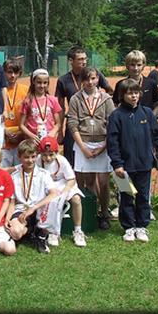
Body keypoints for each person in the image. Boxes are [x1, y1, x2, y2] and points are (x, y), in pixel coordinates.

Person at [107, 79, 158, 242]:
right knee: (126, 196)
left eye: (136, 92)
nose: (133, 96)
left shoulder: (147, 113)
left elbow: (157, 136)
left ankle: (141, 226)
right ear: (122, 95)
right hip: (124, 168)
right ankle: (128, 227)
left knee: (142, 196)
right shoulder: (116, 116)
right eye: (129, 93)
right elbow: (112, 143)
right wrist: (117, 164)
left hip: (144, 164)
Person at [55, 46, 113, 199]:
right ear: (71, 61)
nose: (83, 62)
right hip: (76, 131)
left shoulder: (96, 75)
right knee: (76, 169)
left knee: (101, 177)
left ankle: (102, 208)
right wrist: (60, 130)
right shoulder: (63, 80)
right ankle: (81, 203)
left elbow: (110, 91)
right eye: (80, 59)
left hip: (99, 134)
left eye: (85, 59)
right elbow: (60, 106)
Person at [66, 66, 115, 230]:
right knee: (85, 181)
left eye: (93, 78)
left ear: (98, 79)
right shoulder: (75, 99)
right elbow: (72, 124)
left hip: (103, 144)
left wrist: (103, 147)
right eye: (86, 79)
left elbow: (113, 124)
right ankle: (90, 213)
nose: (90, 82)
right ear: (81, 81)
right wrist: (83, 147)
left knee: (103, 181)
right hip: (83, 143)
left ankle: (104, 213)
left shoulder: (106, 99)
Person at [6, 139, 59, 254]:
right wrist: (7, 219)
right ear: (19, 157)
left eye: (33, 157)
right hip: (21, 211)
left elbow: (54, 193)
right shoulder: (14, 176)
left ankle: (41, 237)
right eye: (26, 157)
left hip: (39, 210)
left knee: (53, 201)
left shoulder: (43, 174)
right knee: (15, 233)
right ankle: (32, 231)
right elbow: (11, 202)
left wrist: (34, 208)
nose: (30, 160)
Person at [35, 136, 87, 247]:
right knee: (51, 201)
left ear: (56, 152)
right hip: (49, 187)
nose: (48, 158)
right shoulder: (38, 161)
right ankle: (52, 231)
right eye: (45, 155)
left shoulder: (62, 160)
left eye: (51, 155)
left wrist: (64, 192)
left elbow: (71, 179)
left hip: (65, 184)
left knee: (76, 199)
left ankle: (78, 230)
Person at [19, 68, 62, 146]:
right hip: (33, 143)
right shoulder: (27, 101)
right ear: (33, 82)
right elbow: (21, 125)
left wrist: (52, 133)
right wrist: (31, 136)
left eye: (45, 83)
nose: (42, 86)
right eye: (39, 82)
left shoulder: (53, 100)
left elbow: (58, 123)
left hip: (49, 142)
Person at [112, 50, 158, 114]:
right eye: (132, 65)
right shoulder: (120, 84)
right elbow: (115, 104)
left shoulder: (151, 83)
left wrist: (151, 117)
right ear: (127, 66)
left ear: (143, 65)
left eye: (139, 65)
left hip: (145, 122)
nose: (136, 68)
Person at [1, 56, 28, 167]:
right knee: (3, 173)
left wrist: (21, 133)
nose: (12, 76)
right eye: (9, 72)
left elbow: (30, 116)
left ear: (20, 73)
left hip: (21, 140)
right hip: (3, 141)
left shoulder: (26, 90)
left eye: (16, 73)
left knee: (20, 172)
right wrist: (4, 131)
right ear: (4, 73)